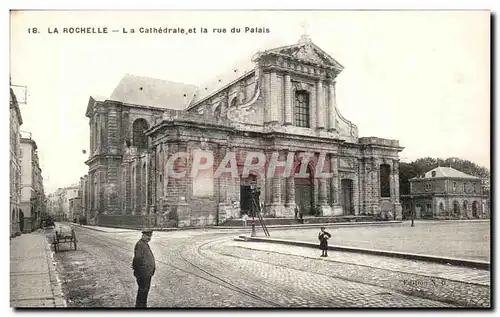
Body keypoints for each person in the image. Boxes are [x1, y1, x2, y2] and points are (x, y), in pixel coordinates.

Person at [132, 230, 156, 308]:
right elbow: (137, 259)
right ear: (143, 236)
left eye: (150, 236)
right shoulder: (140, 245)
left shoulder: (144, 244)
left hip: (146, 273)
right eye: (148, 236)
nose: (149, 238)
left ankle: (142, 305)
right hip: (143, 274)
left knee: (144, 291)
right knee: (143, 291)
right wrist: (142, 272)